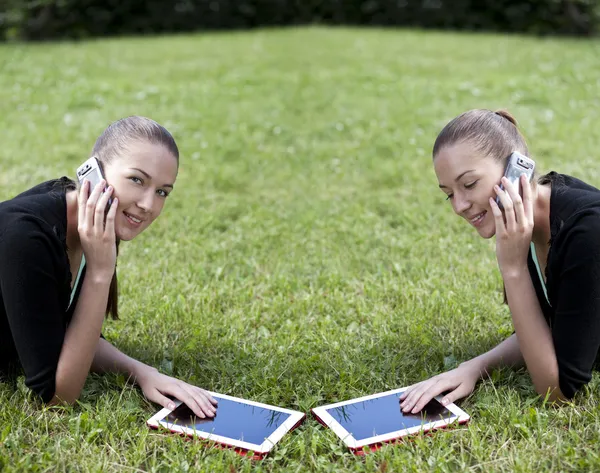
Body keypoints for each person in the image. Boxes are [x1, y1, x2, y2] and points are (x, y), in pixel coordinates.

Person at [0, 116, 217, 418]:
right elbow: (57, 397)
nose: (148, 205)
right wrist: (101, 273)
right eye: (137, 180)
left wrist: (143, 372)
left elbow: (69, 330)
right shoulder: (26, 237)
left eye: (162, 192)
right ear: (94, 173)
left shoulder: (95, 221)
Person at [400, 109, 600, 414]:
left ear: (517, 169)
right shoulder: (534, 222)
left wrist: (513, 267)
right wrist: (473, 367)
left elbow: (557, 392)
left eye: (468, 185)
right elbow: (547, 326)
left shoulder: (588, 232)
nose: (459, 206)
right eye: (448, 194)